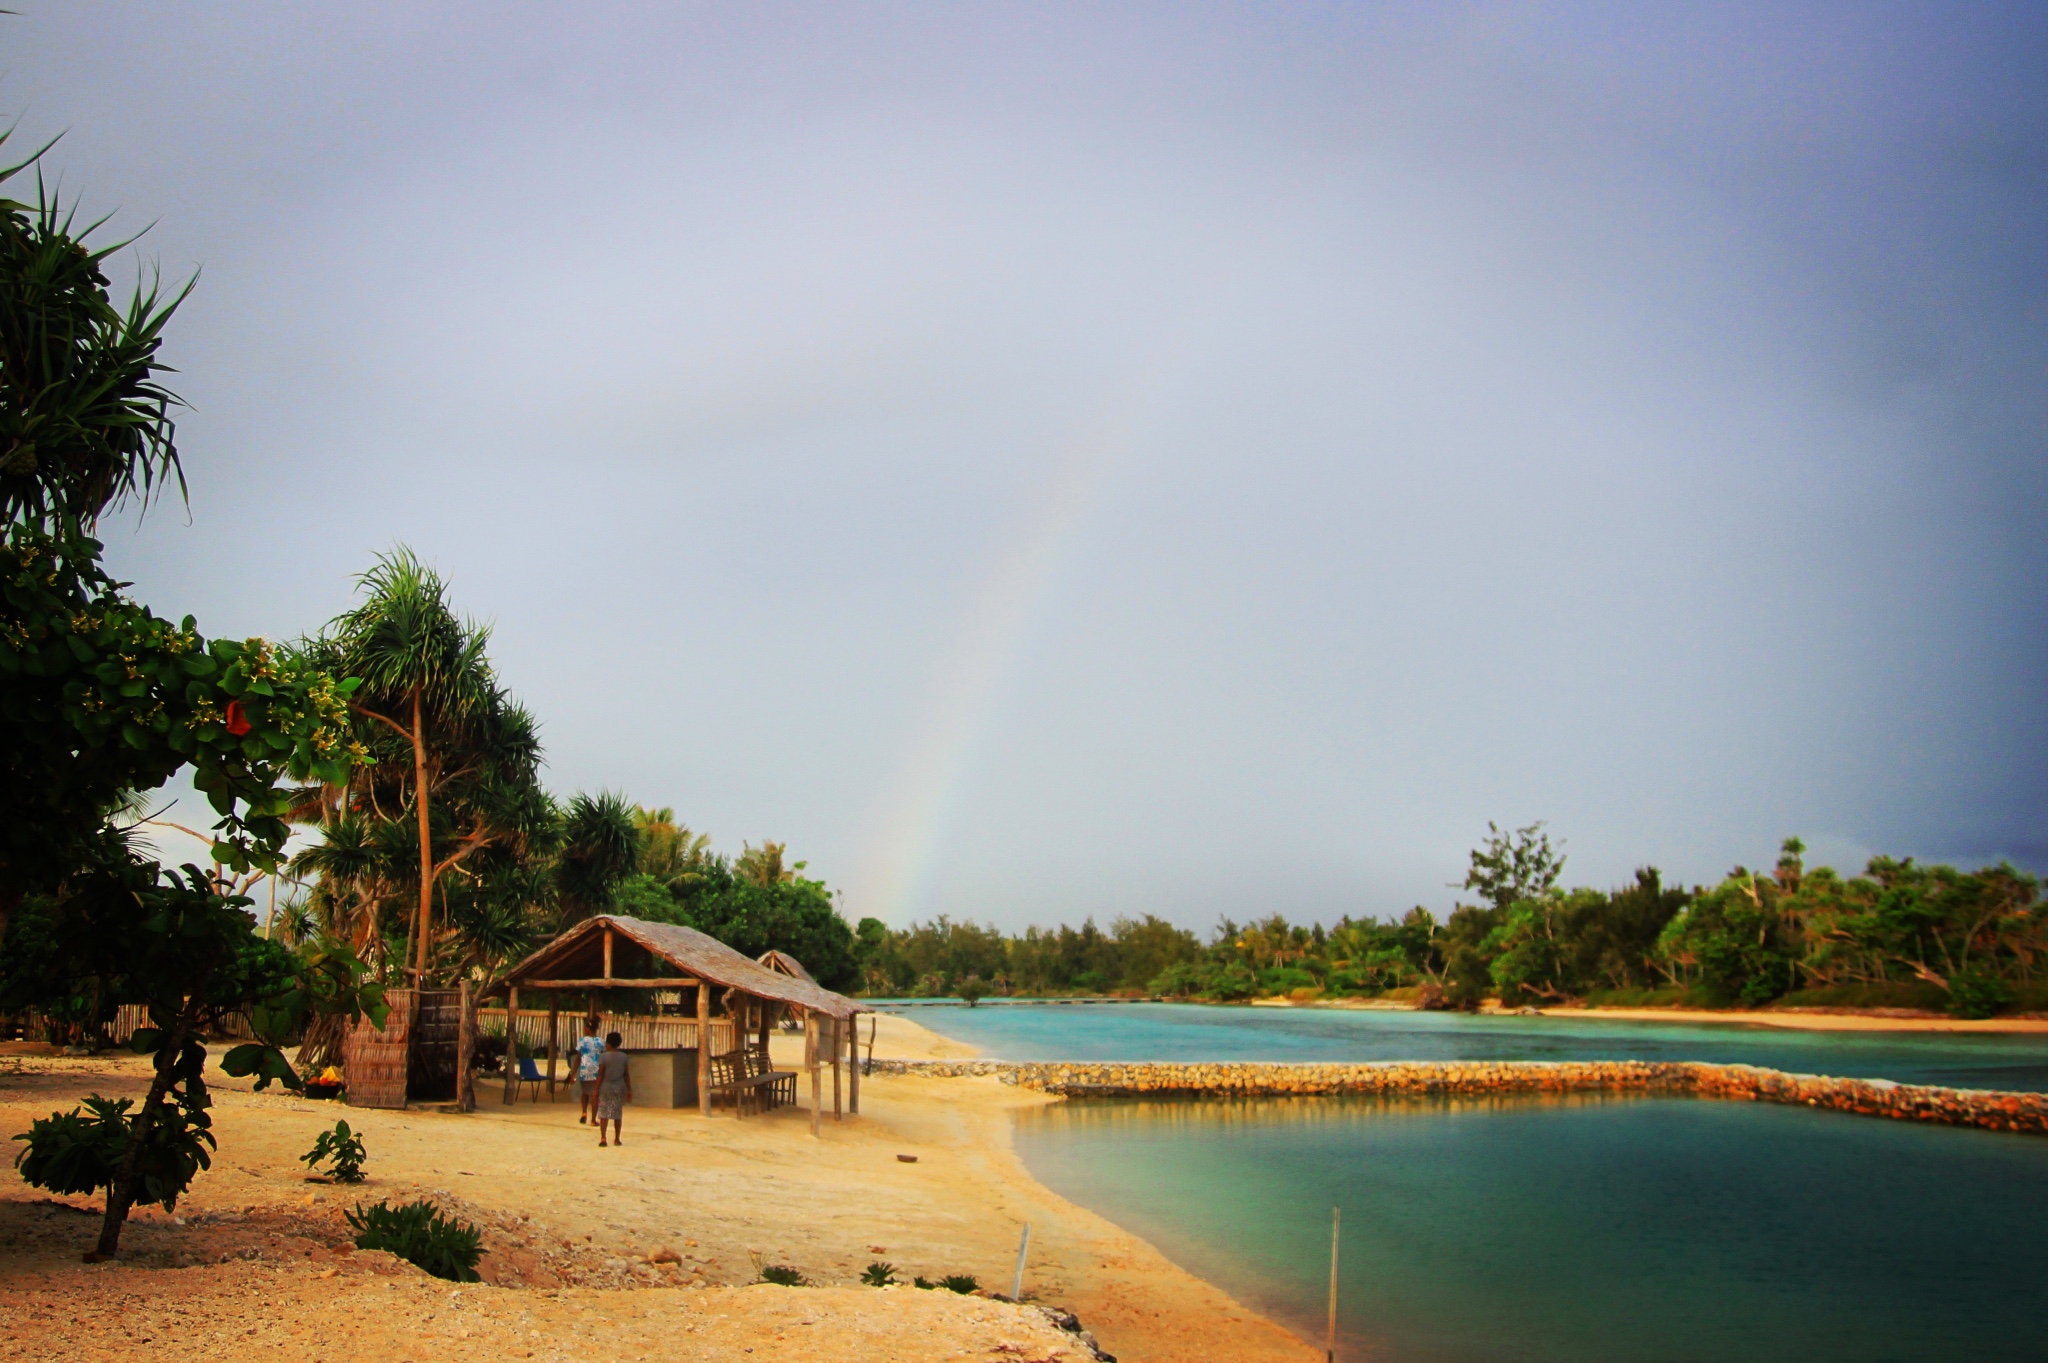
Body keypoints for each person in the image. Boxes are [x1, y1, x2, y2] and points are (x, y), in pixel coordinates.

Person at [594, 1031, 631, 1147]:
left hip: (606, 1087)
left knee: (604, 1113)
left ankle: (603, 1137)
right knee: (617, 1114)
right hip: (619, 1087)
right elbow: (626, 1074)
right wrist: (629, 1089)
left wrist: (596, 1088)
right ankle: (617, 1139)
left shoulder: (603, 1057)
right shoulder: (624, 1057)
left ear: (608, 1043)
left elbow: (600, 1074)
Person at [574, 1017, 607, 1124]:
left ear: (588, 1028)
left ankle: (584, 1112)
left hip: (585, 1070)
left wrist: (573, 1073)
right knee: (595, 1094)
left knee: (585, 1092)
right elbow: (604, 1057)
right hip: (597, 1071)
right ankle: (593, 1119)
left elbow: (578, 1058)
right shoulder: (601, 1042)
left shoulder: (582, 1041)